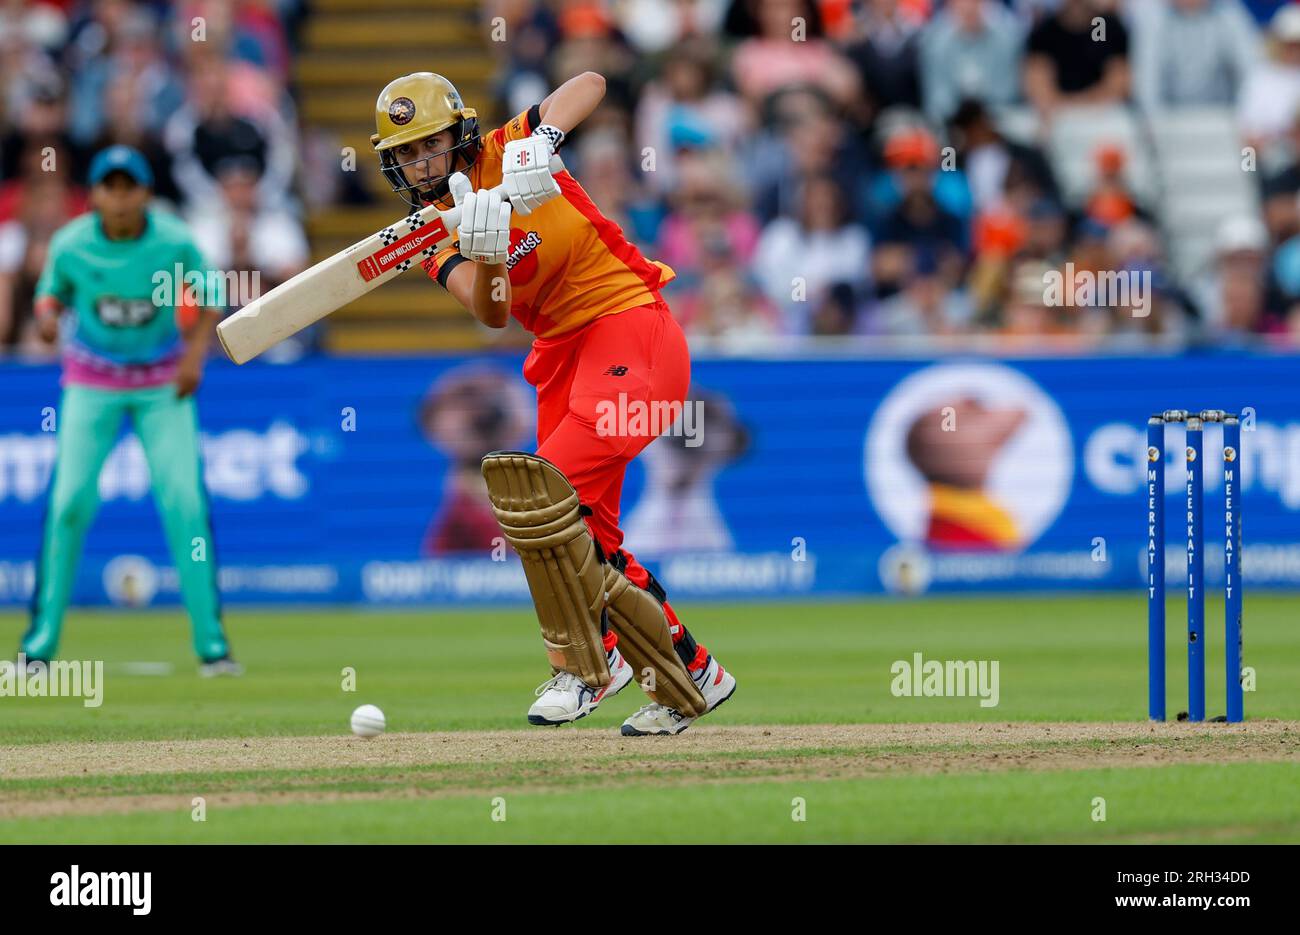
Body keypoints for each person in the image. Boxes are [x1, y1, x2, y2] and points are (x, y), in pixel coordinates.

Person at [369, 72, 736, 735]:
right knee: (581, 539)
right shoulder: (429, 231)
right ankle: (689, 672)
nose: (422, 161)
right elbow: (491, 312)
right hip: (562, 359)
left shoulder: (507, 148)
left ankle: (586, 667)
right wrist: (487, 257)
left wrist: (541, 140)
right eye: (407, 152)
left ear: (460, 132)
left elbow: (592, 82)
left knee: (539, 499)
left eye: (432, 143)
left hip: (630, 326)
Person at [19, 145, 240, 677]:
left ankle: (213, 647)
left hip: (162, 383)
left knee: (185, 504)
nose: (119, 198)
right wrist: (47, 320)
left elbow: (212, 296)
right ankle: (39, 645)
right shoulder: (72, 243)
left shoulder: (173, 240)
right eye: (109, 187)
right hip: (91, 382)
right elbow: (50, 294)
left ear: (144, 192)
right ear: (94, 194)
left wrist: (193, 358)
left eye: (129, 187)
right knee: (69, 503)